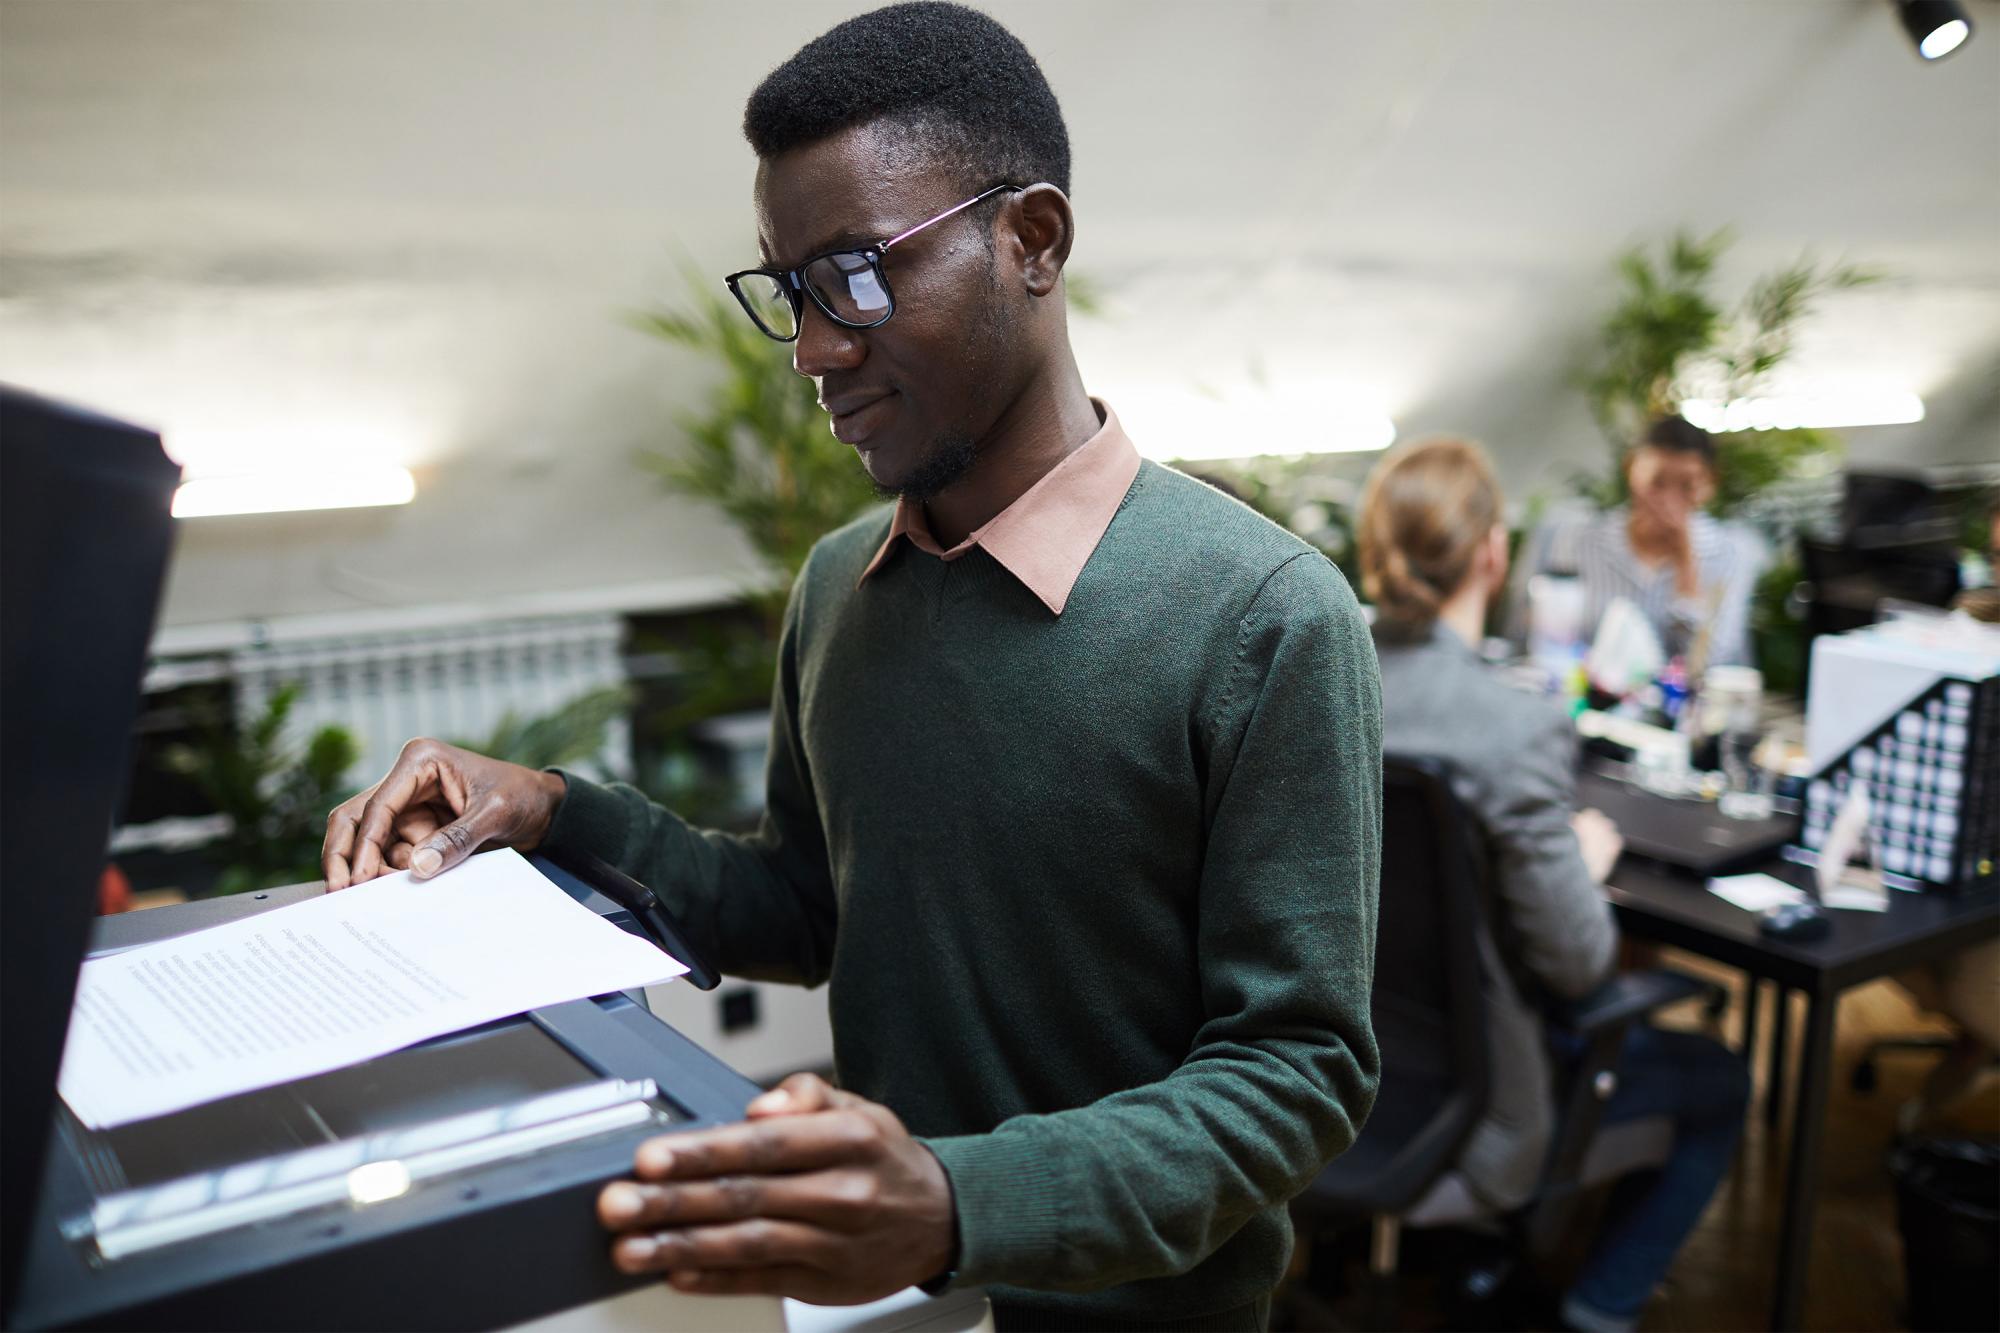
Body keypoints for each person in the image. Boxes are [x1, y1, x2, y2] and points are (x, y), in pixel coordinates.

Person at [320, 5, 1382, 1328]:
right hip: (885, 1301)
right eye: (790, 289)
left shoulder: (1265, 618)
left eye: (858, 274)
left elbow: (1298, 1070)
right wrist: (551, 809)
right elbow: (808, 909)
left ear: (1032, 241)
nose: (817, 349)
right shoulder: (839, 586)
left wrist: (955, 1202)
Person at [1359, 436, 1748, 1333]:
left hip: (1334, 1069)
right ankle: (1597, 1310)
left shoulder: (1323, 675)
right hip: (1478, 1110)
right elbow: (1580, 967)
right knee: (1718, 1081)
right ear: (1494, 553)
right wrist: (1582, 862)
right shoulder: (1514, 727)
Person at [1513, 416, 1764, 671]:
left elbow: (1709, 665)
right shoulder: (1578, 543)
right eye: (1657, 482)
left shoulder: (1728, 555)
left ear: (1710, 483)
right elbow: (1533, 639)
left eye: (1687, 487)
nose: (1669, 500)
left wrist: (1685, 564)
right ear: (1631, 469)